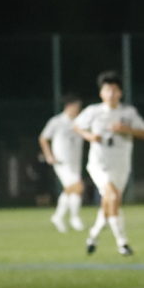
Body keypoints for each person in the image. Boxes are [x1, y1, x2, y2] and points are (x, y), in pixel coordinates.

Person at [74, 71, 144, 255]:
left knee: (109, 204)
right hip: (99, 165)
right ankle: (122, 243)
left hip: (121, 166)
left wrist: (127, 129)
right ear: (101, 93)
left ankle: (93, 236)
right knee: (113, 196)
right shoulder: (93, 111)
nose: (111, 94)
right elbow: (77, 126)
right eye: (107, 90)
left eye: (114, 90)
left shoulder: (128, 113)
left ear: (120, 93)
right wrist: (89, 136)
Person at [39, 93, 85, 232]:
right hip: (61, 162)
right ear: (69, 106)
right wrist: (49, 155)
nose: (78, 109)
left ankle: (58, 217)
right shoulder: (57, 121)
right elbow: (43, 138)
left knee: (71, 190)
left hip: (75, 162)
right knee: (78, 187)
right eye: (77, 106)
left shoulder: (80, 121)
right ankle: (74, 218)